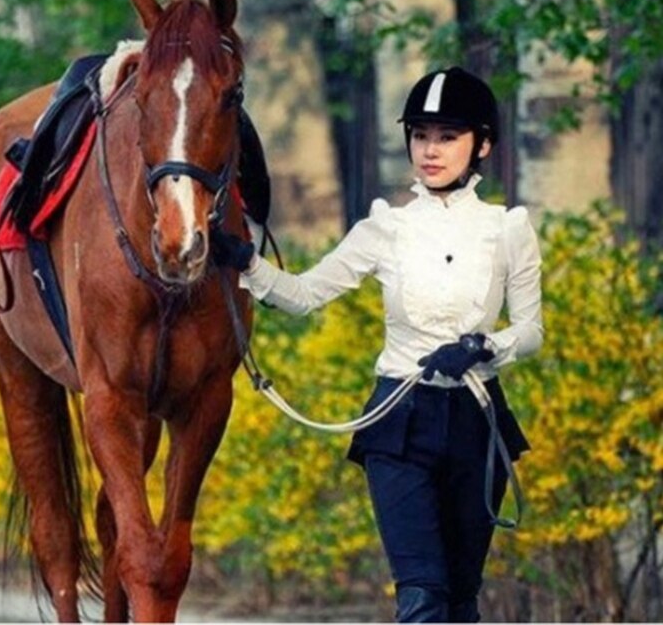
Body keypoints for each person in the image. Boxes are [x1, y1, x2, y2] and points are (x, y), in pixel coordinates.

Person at [212, 66, 543, 623]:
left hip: (476, 421)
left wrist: (483, 346)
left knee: (460, 599)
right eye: (420, 135)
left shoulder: (508, 229)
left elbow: (531, 330)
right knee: (422, 597)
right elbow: (304, 295)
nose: (430, 151)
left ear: (482, 145)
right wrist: (247, 262)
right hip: (400, 421)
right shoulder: (385, 227)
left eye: (447, 137)